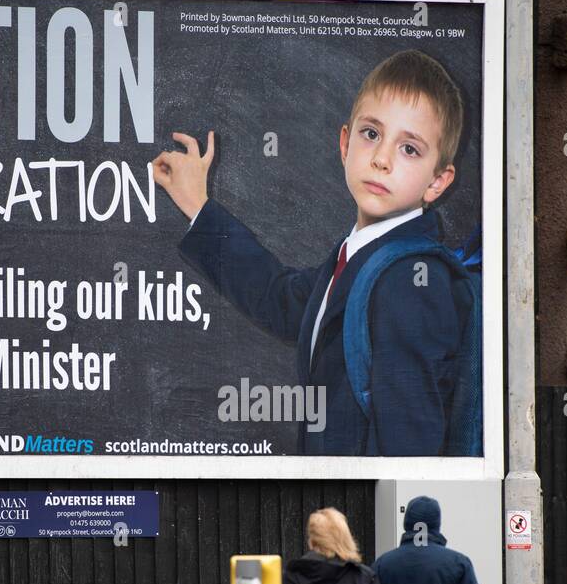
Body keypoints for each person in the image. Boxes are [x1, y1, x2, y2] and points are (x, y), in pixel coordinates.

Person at [153, 49, 476, 455]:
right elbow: (280, 299)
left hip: (363, 513)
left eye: (409, 149)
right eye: (371, 134)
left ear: (438, 182)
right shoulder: (359, 259)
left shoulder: (410, 282)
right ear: (345, 143)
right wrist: (200, 208)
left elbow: (409, 449)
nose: (381, 159)